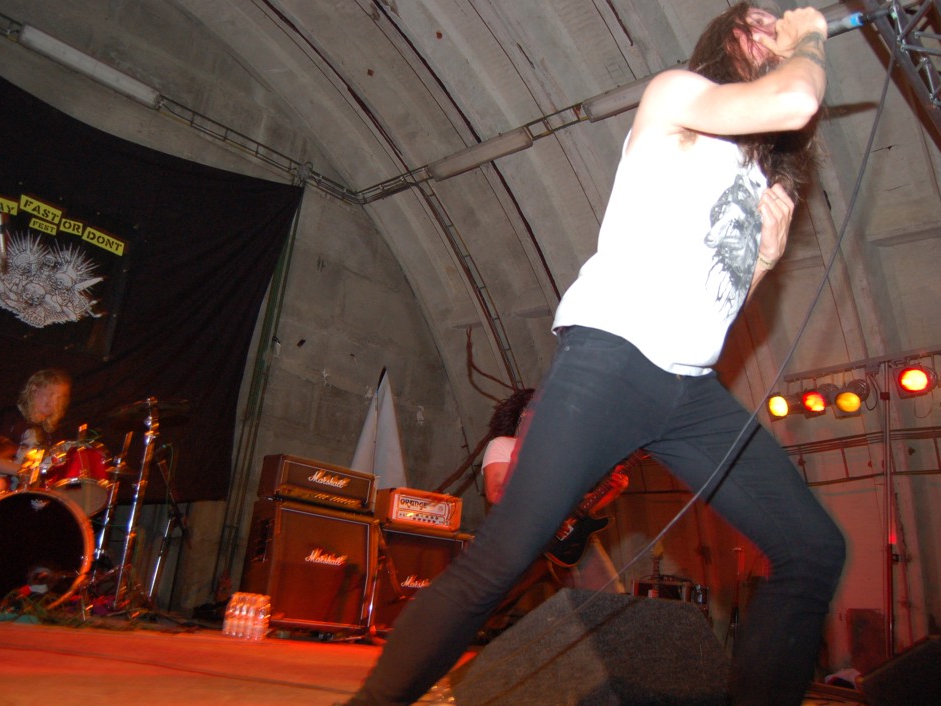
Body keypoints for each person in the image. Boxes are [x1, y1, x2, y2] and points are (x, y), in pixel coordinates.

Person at [344, 4, 845, 705]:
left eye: (779, 26)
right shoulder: (679, 96)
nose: (774, 31)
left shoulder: (761, 180)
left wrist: (763, 260)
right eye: (757, 22)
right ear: (724, 41)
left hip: (689, 389)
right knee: (501, 560)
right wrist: (811, 32)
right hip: (611, 359)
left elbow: (716, 307)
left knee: (814, 549)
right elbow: (795, 99)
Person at [480, 389, 625, 631]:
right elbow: (496, 494)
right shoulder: (503, 445)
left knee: (609, 601)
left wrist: (611, 491)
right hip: (527, 537)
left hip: (571, 538)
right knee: (494, 609)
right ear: (524, 414)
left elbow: (575, 506)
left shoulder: (559, 457)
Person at [0, 368, 72, 496]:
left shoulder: (54, 433)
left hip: (30, 494)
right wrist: (25, 471)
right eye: (50, 394)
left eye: (58, 397)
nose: (53, 401)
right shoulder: (9, 417)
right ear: (34, 389)